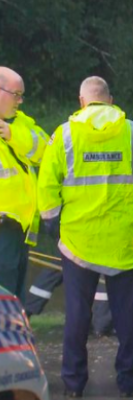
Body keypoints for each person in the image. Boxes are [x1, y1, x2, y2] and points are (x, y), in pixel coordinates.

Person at [37, 76, 133, 397]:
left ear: (82, 101)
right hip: (125, 243)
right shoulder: (132, 131)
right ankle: (129, 385)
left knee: (78, 318)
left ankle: (74, 387)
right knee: (129, 318)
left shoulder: (63, 135)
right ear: (109, 100)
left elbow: (47, 185)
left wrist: (52, 221)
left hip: (80, 242)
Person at [25, 201, 133, 334]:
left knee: (56, 273)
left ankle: (24, 316)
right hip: (94, 246)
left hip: (75, 238)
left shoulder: (131, 207)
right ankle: (101, 328)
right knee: (103, 280)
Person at [0, 66, 49, 303]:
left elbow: (44, 151)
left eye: (22, 95)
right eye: (15, 94)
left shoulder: (22, 123)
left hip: (21, 229)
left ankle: (11, 340)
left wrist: (11, 133)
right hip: (3, 227)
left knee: (13, 299)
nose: (20, 101)